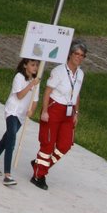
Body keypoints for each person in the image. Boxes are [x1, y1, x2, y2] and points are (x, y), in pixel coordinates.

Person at [31, 41, 87, 191]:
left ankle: (40, 164)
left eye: (82, 55)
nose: (79, 58)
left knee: (65, 144)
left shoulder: (80, 74)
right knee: (48, 143)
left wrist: (76, 112)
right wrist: (44, 111)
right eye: (76, 54)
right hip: (54, 108)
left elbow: (77, 94)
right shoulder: (59, 71)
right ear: (70, 54)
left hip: (69, 112)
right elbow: (48, 91)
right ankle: (38, 175)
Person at [0, 58, 40, 185]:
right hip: (12, 111)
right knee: (11, 140)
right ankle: (7, 174)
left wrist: (32, 110)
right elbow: (19, 95)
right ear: (25, 65)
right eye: (32, 65)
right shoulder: (19, 77)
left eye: (36, 65)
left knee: (6, 138)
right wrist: (31, 85)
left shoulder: (36, 82)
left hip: (21, 115)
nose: (35, 68)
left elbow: (35, 100)